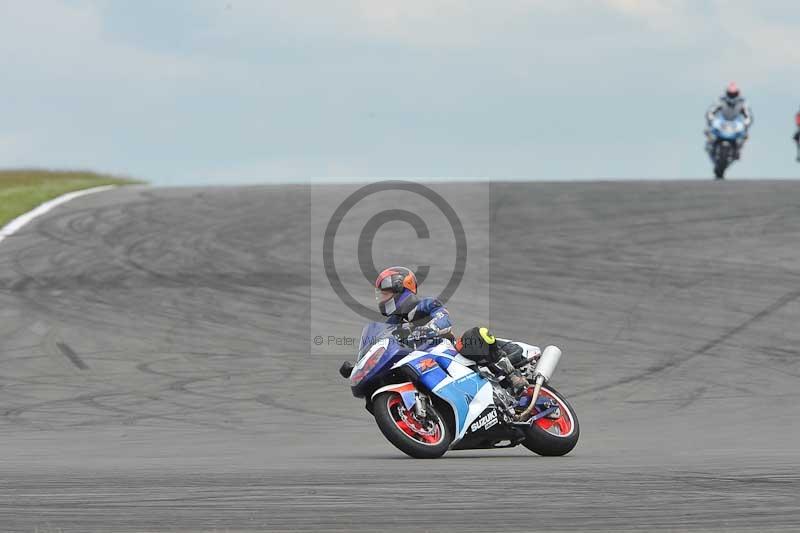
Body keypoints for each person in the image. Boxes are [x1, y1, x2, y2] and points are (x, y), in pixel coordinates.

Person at [374, 266, 453, 348]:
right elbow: (382, 338)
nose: (382, 299)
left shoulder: (427, 305)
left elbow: (443, 317)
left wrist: (430, 329)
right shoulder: (393, 321)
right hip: (414, 357)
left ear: (400, 292)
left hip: (442, 352)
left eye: (385, 294)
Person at [705, 82, 753, 160]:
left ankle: (737, 150)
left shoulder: (742, 103)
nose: (732, 96)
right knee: (710, 132)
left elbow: (749, 116)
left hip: (735, 126)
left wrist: (746, 123)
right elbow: (711, 112)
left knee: (744, 136)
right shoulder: (720, 101)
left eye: (734, 94)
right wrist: (711, 119)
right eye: (730, 94)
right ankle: (711, 147)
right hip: (722, 124)